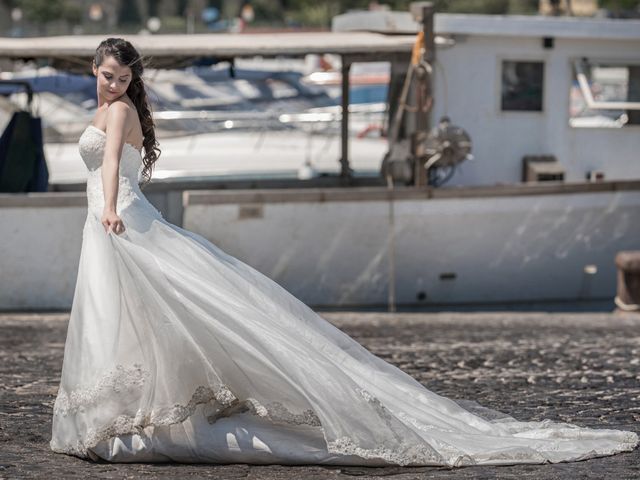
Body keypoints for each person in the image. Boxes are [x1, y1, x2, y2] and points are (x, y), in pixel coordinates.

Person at [50, 37, 638, 466]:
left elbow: (110, 170)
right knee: (127, 314)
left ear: (132, 79)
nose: (112, 84)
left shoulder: (121, 111)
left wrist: (108, 210)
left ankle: (141, 407)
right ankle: (127, 407)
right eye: (105, 75)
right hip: (108, 219)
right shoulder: (105, 108)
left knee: (165, 307)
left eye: (121, 77)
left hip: (119, 218)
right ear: (94, 72)